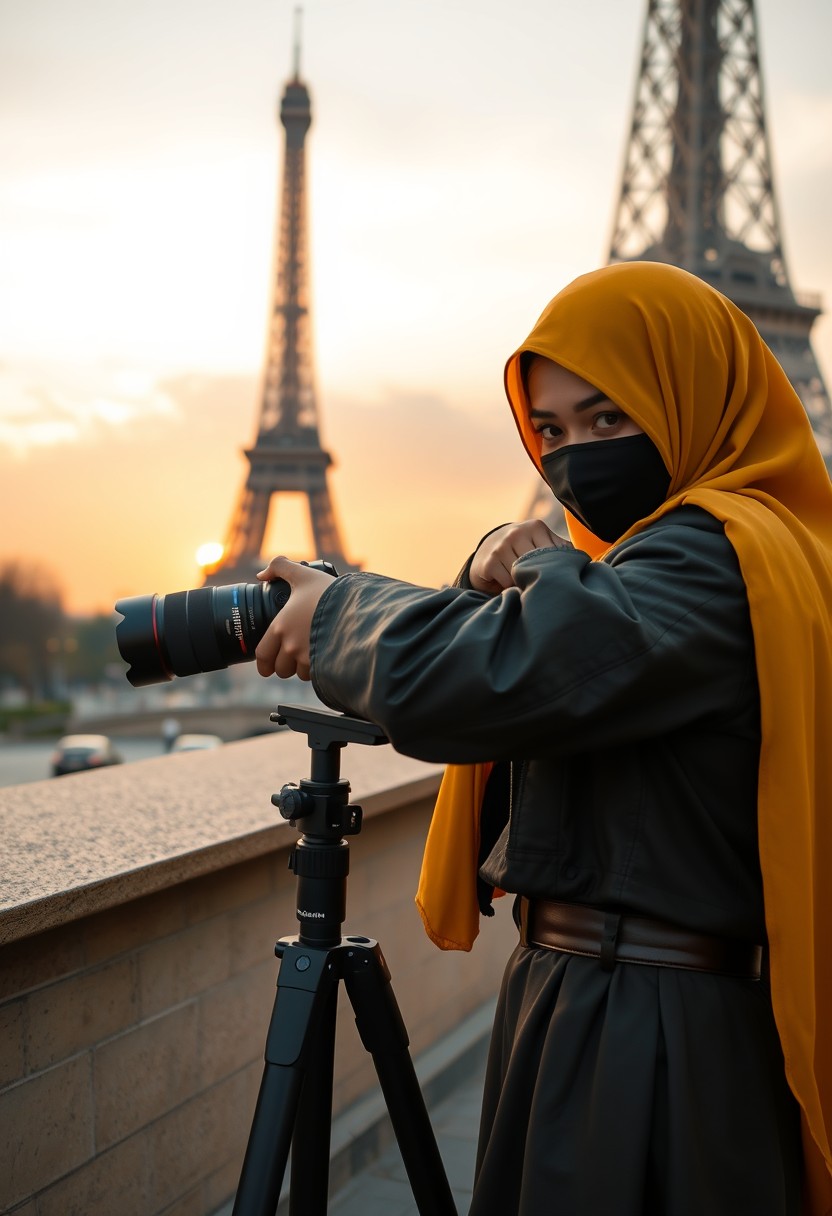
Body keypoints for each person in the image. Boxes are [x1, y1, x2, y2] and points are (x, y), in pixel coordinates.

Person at [253, 262, 832, 1215]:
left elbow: (490, 680)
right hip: (603, 999)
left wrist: (337, 612)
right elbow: (529, 659)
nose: (575, 460)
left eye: (610, 420)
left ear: (692, 398)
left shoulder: (710, 559)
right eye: (551, 432)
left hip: (640, 1027)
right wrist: (495, 575)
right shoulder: (724, 556)